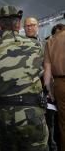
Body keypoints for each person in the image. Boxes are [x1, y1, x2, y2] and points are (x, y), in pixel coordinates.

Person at [0, 5, 49, 151]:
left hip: (5, 115)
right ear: (19, 23)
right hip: (34, 113)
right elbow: (44, 75)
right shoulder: (36, 46)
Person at [24, 17, 58, 151]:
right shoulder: (19, 45)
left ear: (37, 26)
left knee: (49, 119)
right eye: (27, 26)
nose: (30, 28)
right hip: (26, 90)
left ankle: (50, 145)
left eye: (32, 25)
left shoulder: (46, 44)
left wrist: (49, 87)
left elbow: (51, 65)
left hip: (45, 86)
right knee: (29, 122)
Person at [44, 23, 65, 151]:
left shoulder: (50, 41)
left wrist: (49, 90)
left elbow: (47, 68)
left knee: (63, 124)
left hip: (60, 85)